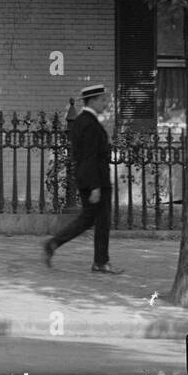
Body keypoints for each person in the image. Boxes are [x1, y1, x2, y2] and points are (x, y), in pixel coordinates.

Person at [44, 84, 124, 273]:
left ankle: (54, 243)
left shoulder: (83, 121)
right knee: (101, 220)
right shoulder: (89, 123)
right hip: (96, 180)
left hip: (88, 177)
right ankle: (101, 262)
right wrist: (95, 186)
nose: (105, 103)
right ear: (93, 100)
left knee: (88, 219)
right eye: (103, 100)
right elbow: (89, 156)